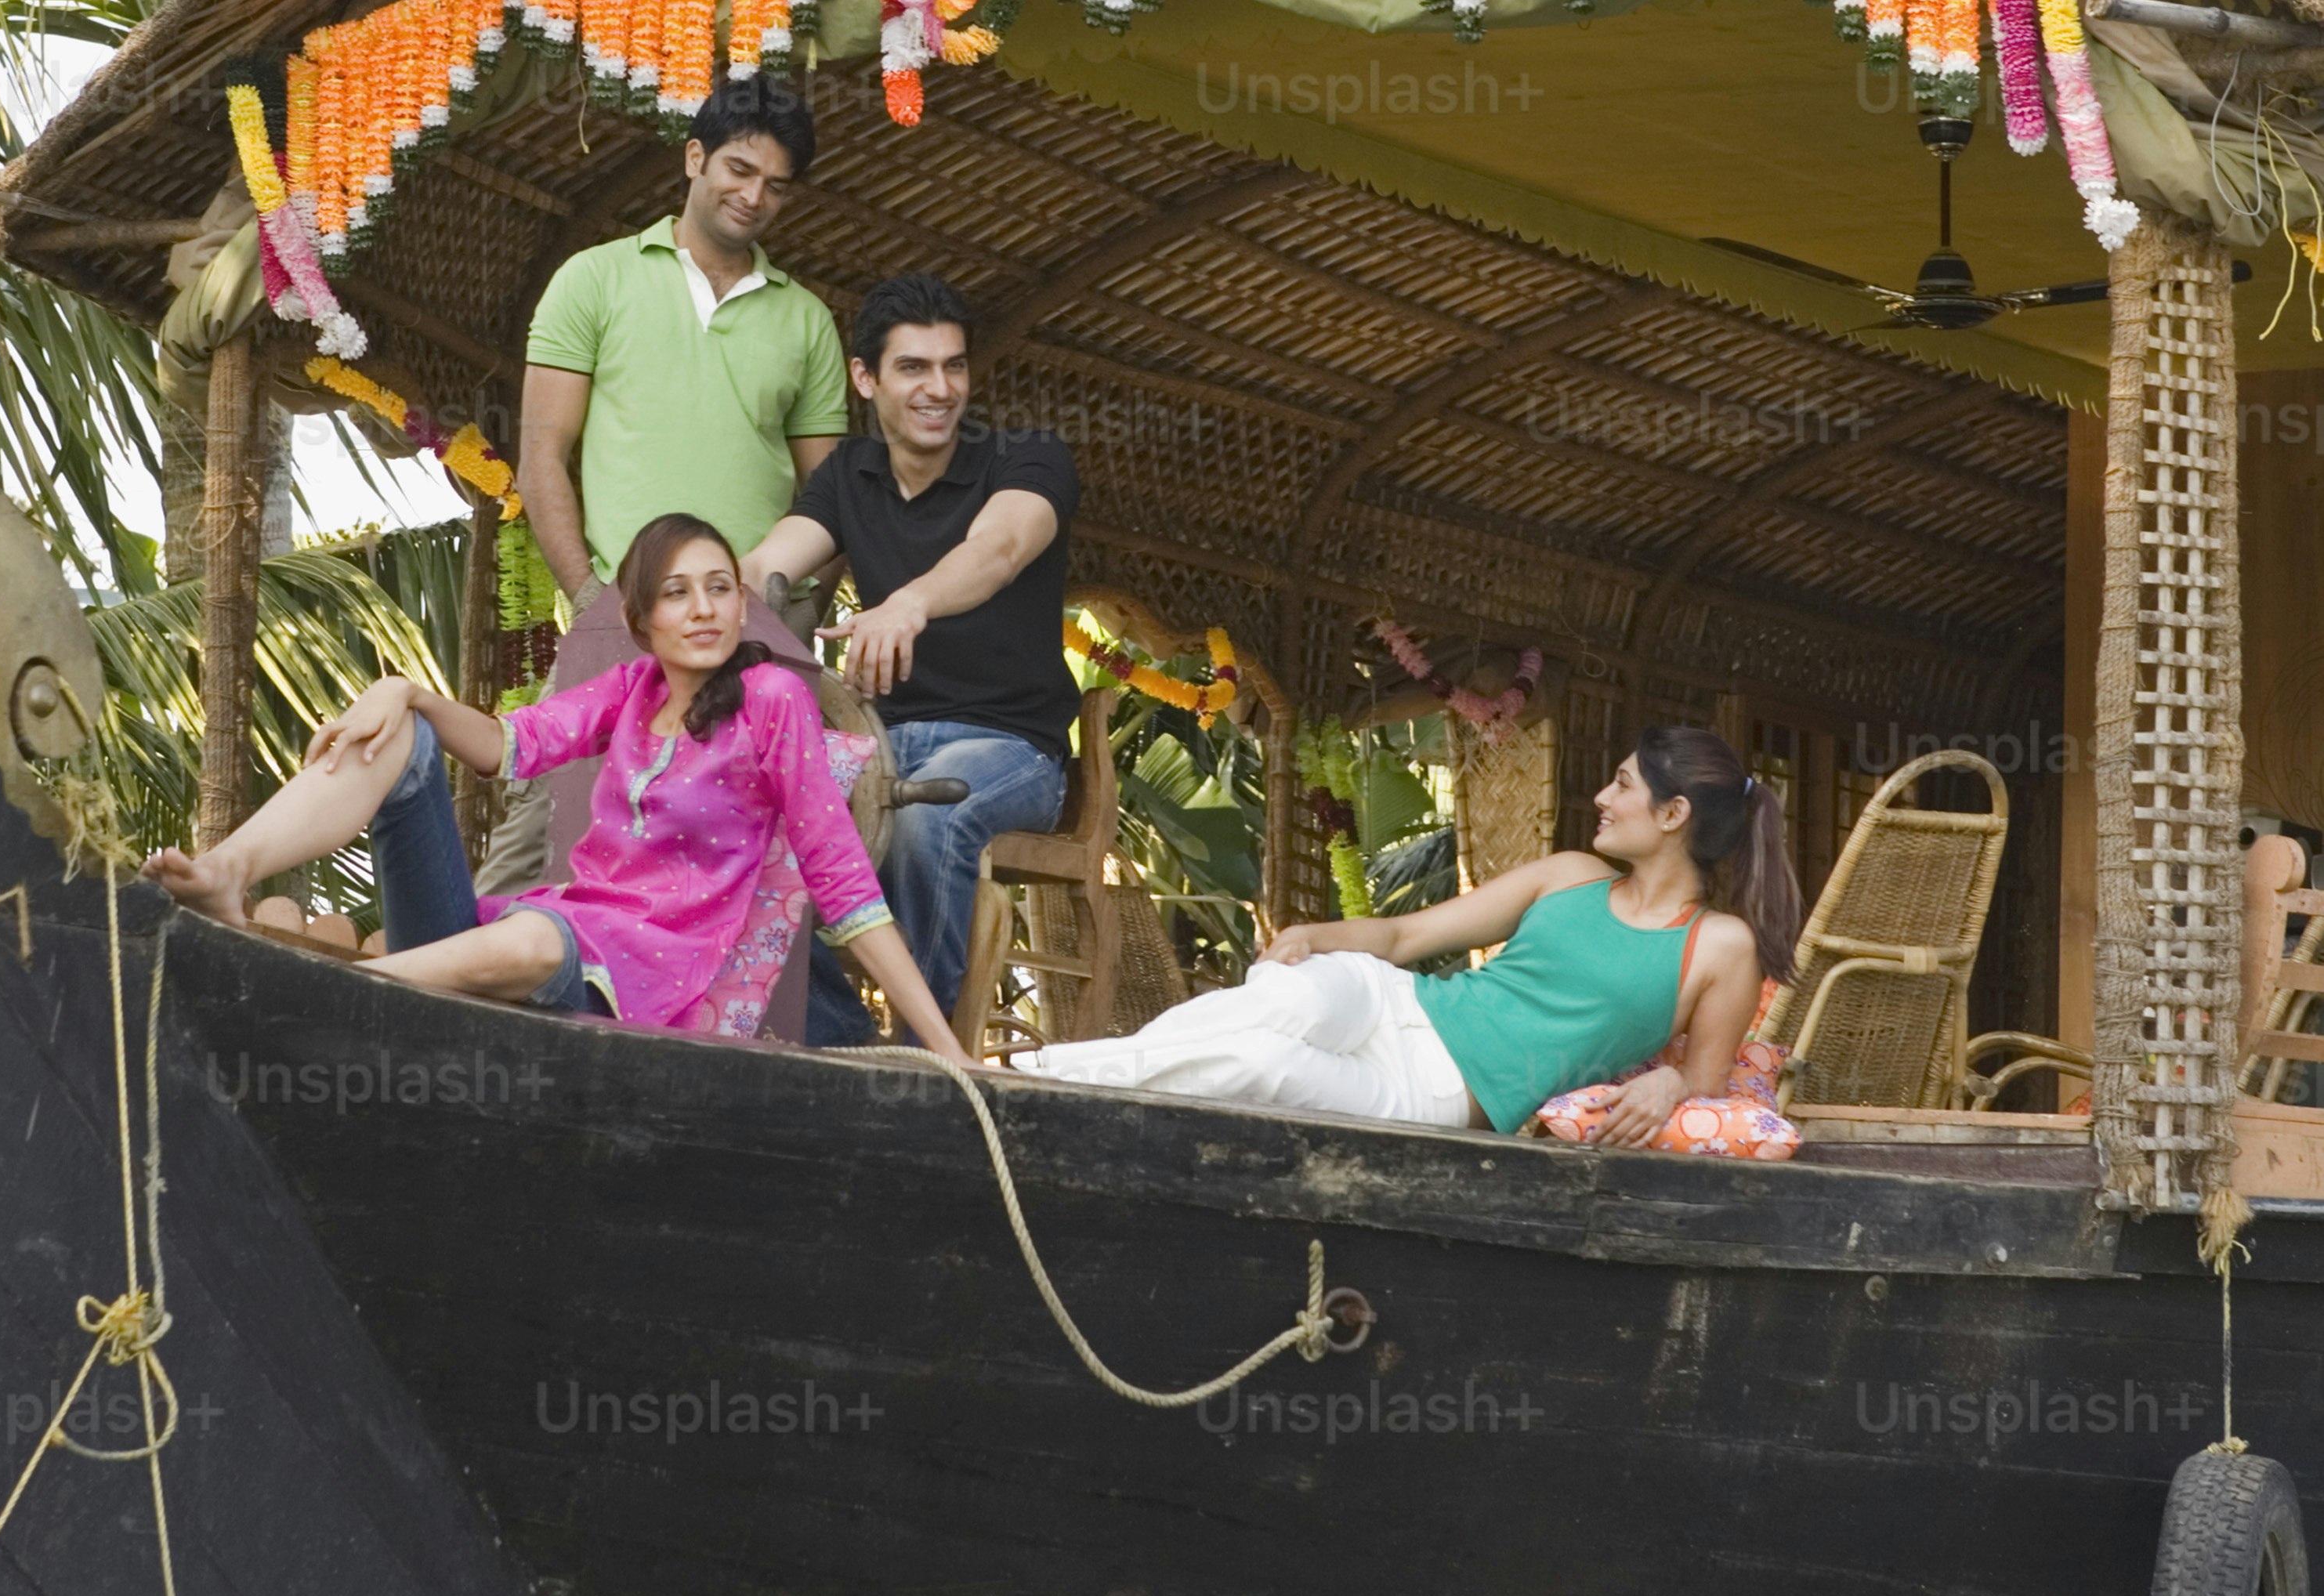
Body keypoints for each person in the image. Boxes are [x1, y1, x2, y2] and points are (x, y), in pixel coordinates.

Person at [147, 513, 968, 1056]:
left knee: (538, 941)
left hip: (641, 976)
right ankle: (226, 871)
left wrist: (942, 1050)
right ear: (644, 620)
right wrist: (407, 692)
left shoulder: (772, 701)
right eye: (678, 594)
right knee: (405, 738)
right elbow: (505, 747)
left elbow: (844, 883)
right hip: (540, 934)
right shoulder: (631, 690)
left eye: (720, 588)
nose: (706, 609)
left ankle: (316, 996)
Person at [1017, 726, 1799, 1135]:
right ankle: (1029, 1080)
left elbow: (1705, 1081)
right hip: (1396, 1003)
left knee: (1256, 1062)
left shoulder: (1718, 945)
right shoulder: (1568, 875)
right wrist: (1315, 936)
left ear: (1671, 814)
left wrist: (1668, 1082)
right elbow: (1402, 939)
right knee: (1288, 998)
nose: (1600, 795)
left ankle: (1032, 1085)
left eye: (1622, 785)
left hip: (1436, 1092)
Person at [744, 270, 1078, 1040]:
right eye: (913, 368)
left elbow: (996, 549)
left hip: (1010, 749)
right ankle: (837, 1040)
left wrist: (907, 603)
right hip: (880, 745)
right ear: (865, 378)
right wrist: (719, 602)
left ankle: (918, 1054)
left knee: (929, 816)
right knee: (751, 809)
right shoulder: (847, 477)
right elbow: (770, 563)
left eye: (952, 366)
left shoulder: (1027, 459)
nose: (939, 388)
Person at [516, 77, 846, 602]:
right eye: (739, 170)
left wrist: (801, 613)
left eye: (775, 185)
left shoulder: (807, 319)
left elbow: (833, 494)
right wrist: (588, 604)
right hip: (625, 610)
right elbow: (540, 457)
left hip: (759, 619)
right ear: (695, 158)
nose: (753, 197)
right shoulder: (593, 279)